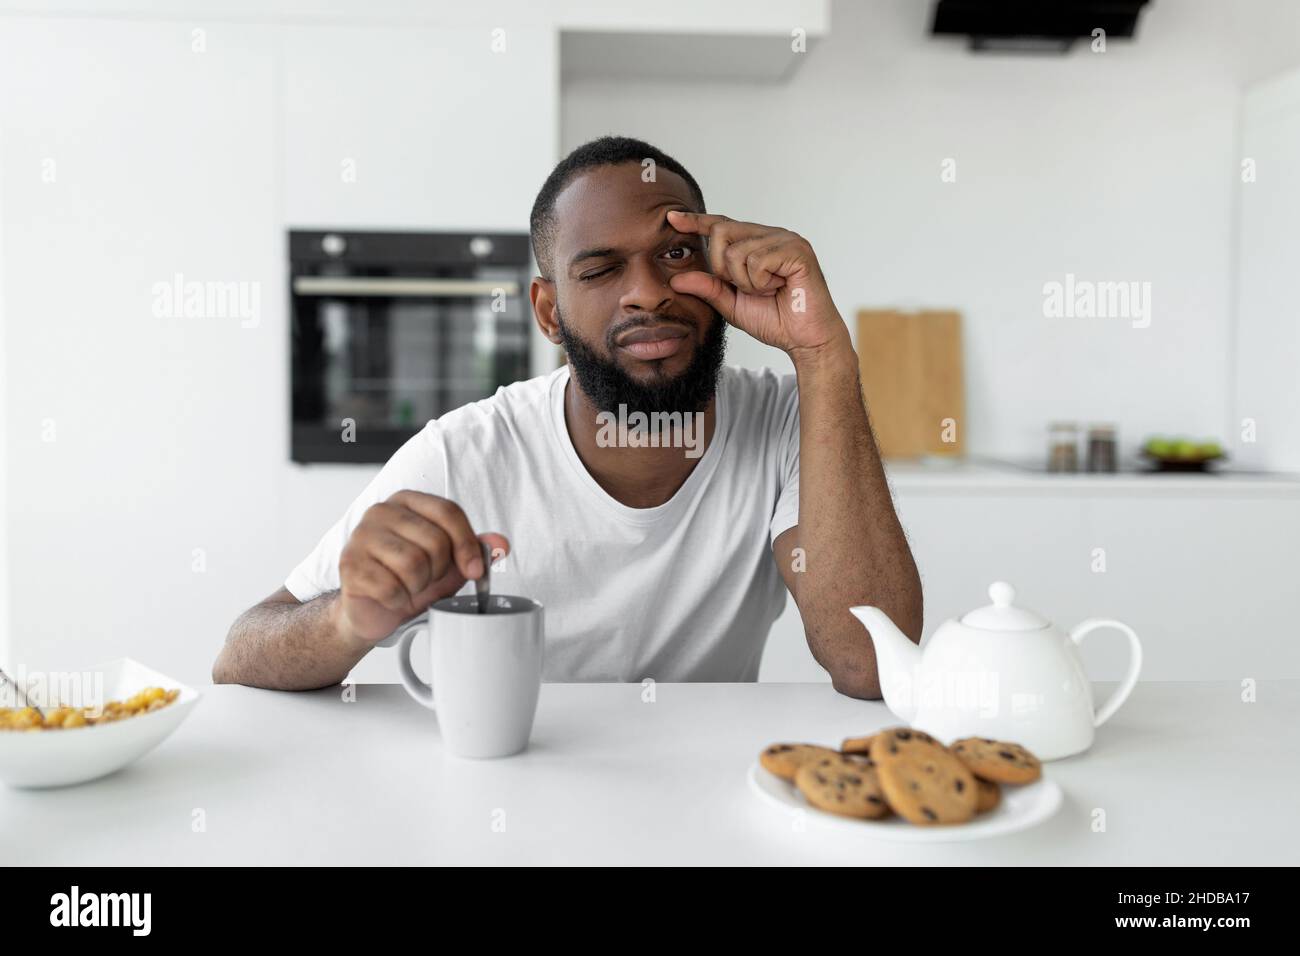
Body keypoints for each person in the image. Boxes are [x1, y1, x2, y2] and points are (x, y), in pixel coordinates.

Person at [213, 136, 922, 696]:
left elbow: (870, 664)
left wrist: (824, 355)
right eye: (601, 269)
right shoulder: (467, 452)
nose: (647, 293)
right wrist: (346, 621)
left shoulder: (791, 417)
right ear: (549, 311)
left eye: (675, 254)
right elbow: (239, 655)